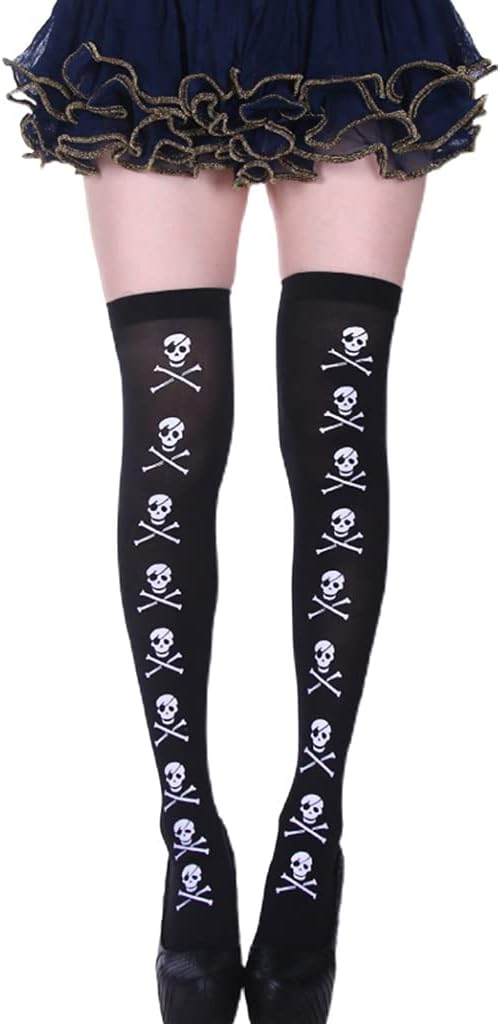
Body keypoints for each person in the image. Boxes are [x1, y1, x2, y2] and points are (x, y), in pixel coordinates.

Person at [3, 3, 495, 1023]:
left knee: (338, 423)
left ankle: (312, 829)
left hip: (352, 27)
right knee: (168, 431)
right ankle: (189, 837)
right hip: (151, 27)